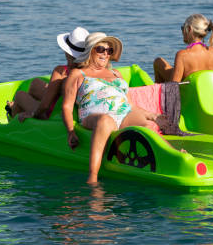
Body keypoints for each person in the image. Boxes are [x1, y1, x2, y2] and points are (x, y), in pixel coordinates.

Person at [61, 32, 160, 184]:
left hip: (123, 113)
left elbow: (130, 104)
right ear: (90, 50)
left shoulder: (116, 73)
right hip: (94, 115)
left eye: (109, 51)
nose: (105, 54)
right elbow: (67, 106)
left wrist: (151, 115)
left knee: (147, 125)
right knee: (105, 121)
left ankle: (171, 156)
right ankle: (92, 178)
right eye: (101, 49)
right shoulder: (78, 74)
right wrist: (70, 131)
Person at [6, 27, 89, 122]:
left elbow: (45, 106)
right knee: (35, 83)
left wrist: (32, 114)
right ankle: (21, 107)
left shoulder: (61, 72)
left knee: (20, 95)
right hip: (71, 109)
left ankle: (14, 118)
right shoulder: (92, 70)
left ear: (67, 51)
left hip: (53, 115)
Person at [153, 14, 213, 83]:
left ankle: (157, 91)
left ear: (189, 29)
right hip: (203, 89)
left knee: (158, 62)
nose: (182, 31)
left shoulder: (182, 55)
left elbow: (173, 87)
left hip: (188, 90)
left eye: (183, 28)